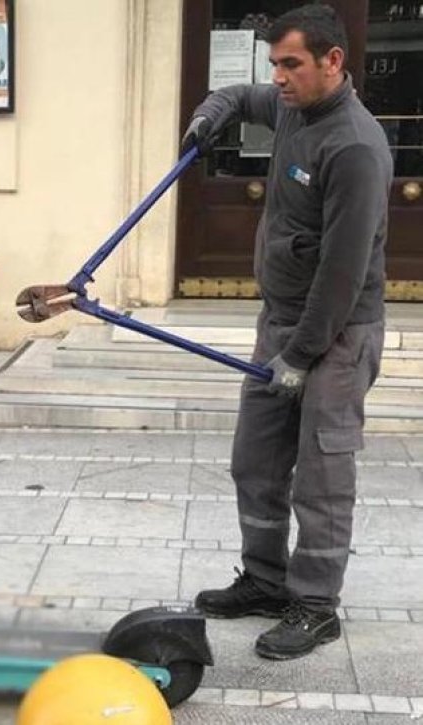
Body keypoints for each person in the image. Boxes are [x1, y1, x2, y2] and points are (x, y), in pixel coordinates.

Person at [183, 4, 392, 661]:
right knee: (256, 460)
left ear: (334, 60)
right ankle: (266, 580)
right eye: (274, 63)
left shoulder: (355, 146)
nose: (277, 77)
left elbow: (341, 272)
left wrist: (299, 356)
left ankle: (314, 605)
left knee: (322, 477)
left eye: (291, 64)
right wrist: (209, 117)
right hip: (280, 323)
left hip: (336, 335)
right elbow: (237, 95)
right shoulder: (291, 108)